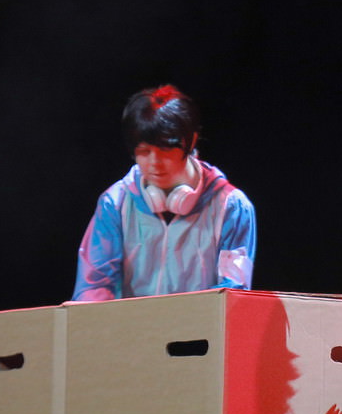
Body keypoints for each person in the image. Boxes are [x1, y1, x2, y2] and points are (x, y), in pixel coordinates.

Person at [71, 85, 257, 301]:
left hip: (200, 323)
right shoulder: (115, 203)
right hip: (129, 323)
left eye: (166, 150)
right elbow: (93, 287)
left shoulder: (232, 206)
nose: (155, 163)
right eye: (144, 151)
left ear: (191, 141)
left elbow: (233, 293)